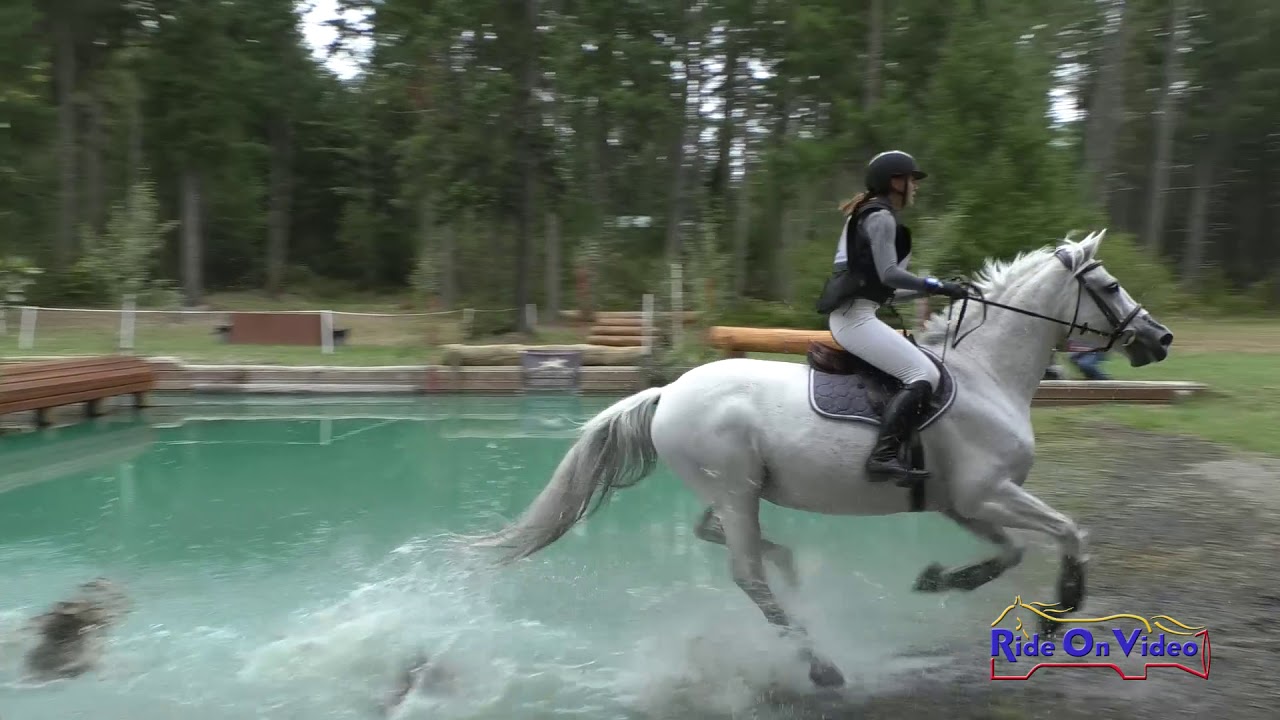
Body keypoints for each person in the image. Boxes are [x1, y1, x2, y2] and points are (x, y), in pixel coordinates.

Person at [815, 150, 967, 485]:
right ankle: (881, 456)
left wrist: (937, 291)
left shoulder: (872, 213)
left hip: (858, 314)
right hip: (854, 319)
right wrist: (936, 284)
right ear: (895, 182)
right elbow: (889, 275)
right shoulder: (880, 217)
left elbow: (886, 291)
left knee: (922, 370)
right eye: (912, 179)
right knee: (923, 374)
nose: (916, 187)